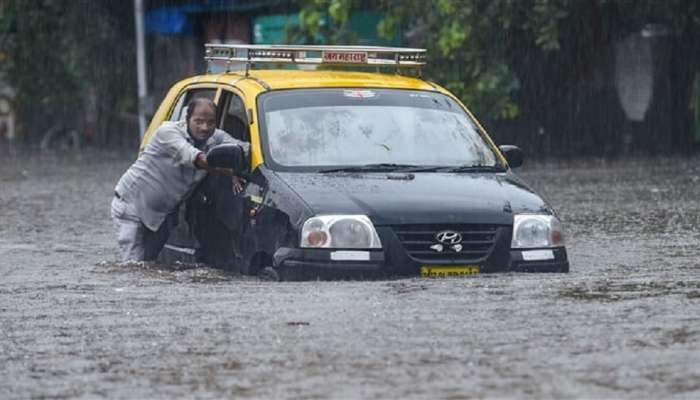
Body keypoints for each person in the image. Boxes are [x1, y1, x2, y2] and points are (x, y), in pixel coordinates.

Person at [111, 98, 249, 262]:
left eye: (210, 122)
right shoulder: (168, 133)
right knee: (134, 266)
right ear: (187, 119)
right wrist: (229, 170)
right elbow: (199, 159)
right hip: (132, 207)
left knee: (148, 267)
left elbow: (246, 148)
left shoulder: (216, 138)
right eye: (198, 121)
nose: (204, 127)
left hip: (164, 216)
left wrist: (237, 164)